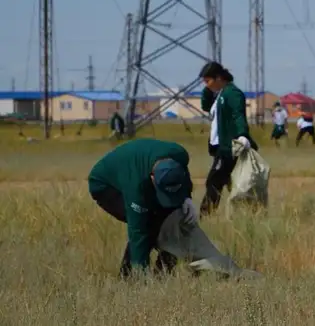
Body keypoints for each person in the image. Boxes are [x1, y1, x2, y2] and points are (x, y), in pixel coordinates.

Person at [87, 138, 197, 278]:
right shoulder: (136, 187)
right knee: (148, 225)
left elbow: (183, 174)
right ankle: (129, 277)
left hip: (141, 171)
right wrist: (141, 276)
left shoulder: (180, 155)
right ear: (152, 179)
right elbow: (137, 231)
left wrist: (187, 197)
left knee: (175, 222)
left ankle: (163, 276)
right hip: (106, 186)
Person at [199, 61, 259, 215]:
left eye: (208, 81)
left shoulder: (232, 93)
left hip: (229, 148)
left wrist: (242, 135)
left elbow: (238, 115)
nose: (206, 85)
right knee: (231, 184)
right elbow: (206, 106)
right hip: (219, 147)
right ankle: (247, 212)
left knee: (213, 182)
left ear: (218, 78)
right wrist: (207, 90)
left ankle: (205, 216)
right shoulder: (219, 94)